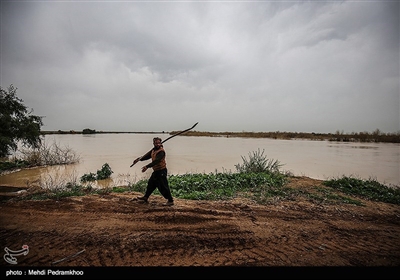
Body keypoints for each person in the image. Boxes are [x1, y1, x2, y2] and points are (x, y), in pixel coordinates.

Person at [132, 137, 174, 206]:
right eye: (156, 143)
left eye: (158, 143)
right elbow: (147, 156)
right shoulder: (153, 150)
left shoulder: (161, 152)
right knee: (151, 184)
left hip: (161, 171)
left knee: (163, 186)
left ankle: (170, 200)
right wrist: (139, 159)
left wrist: (147, 166)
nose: (157, 144)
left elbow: (156, 161)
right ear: (153, 143)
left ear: (160, 143)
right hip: (156, 171)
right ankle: (146, 197)